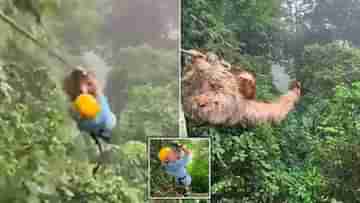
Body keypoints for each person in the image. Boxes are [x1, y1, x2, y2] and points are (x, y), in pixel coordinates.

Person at [63, 67, 116, 142]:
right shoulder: (76, 104)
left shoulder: (99, 97)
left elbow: (106, 117)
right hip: (90, 127)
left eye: (89, 84)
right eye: (80, 89)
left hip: (102, 124)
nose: (85, 90)